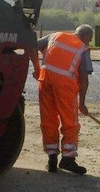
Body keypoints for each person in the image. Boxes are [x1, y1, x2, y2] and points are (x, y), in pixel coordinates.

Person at [36, 24, 93, 174]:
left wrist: (38, 68)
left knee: (48, 120)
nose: (89, 43)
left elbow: (32, 45)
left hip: (45, 80)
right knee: (70, 122)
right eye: (90, 39)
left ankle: (52, 159)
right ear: (86, 36)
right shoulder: (82, 49)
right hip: (65, 85)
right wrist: (82, 103)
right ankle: (68, 160)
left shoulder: (54, 36)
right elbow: (84, 79)